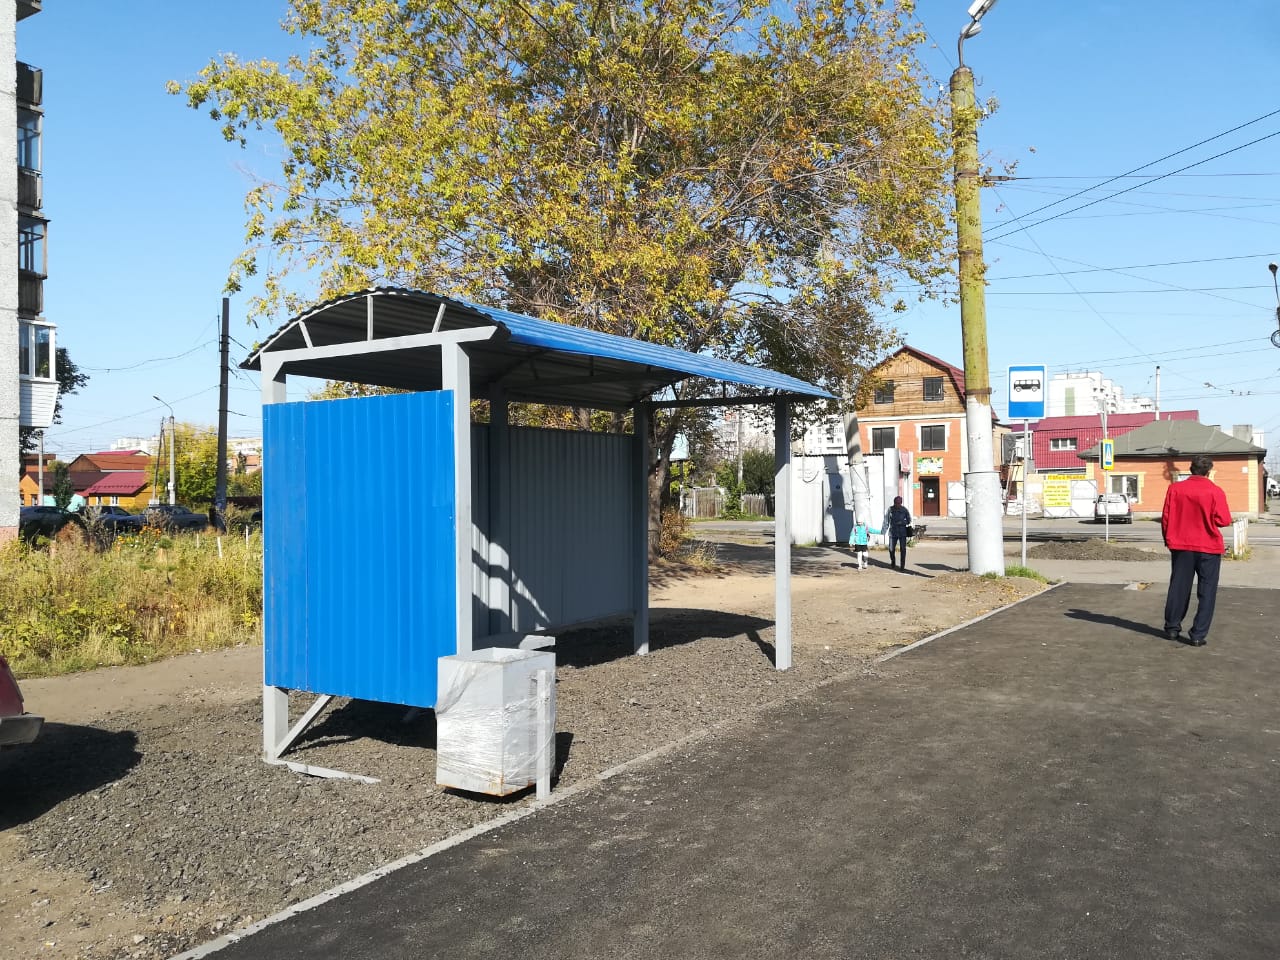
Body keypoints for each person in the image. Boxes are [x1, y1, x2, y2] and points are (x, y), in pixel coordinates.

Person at [1161, 454, 1232, 647]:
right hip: (1208, 546)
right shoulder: (1215, 491)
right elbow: (1224, 520)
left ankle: (1172, 628)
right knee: (1207, 591)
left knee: (1178, 587)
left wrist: (1168, 540)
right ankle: (1198, 635)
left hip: (1181, 545)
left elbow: (1166, 517)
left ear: (1191, 469)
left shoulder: (1175, 489)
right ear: (1208, 471)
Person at [885, 496, 912, 570]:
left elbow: (909, 520)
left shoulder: (904, 510)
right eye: (896, 503)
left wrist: (902, 522)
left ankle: (902, 566)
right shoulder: (890, 509)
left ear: (901, 503)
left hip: (902, 532)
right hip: (892, 532)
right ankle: (893, 561)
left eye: (898, 503)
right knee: (891, 549)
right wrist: (884, 530)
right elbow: (886, 520)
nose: (897, 504)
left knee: (903, 549)